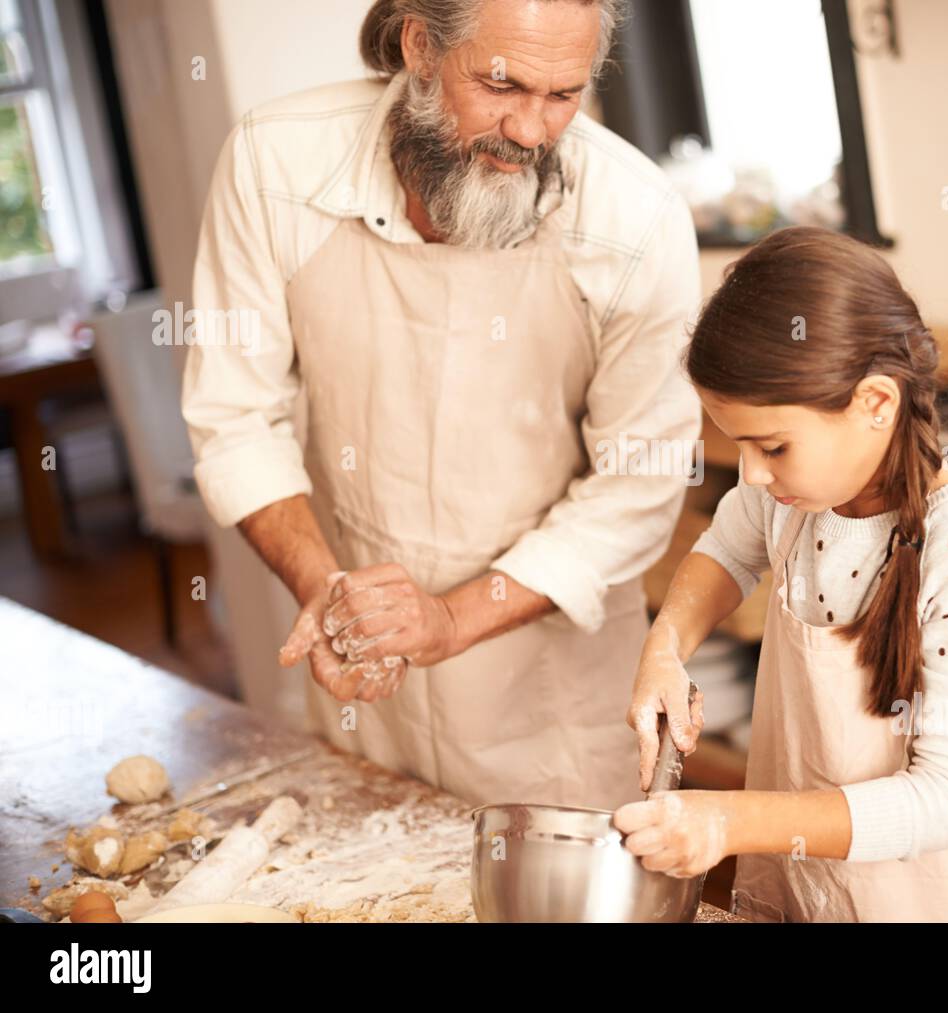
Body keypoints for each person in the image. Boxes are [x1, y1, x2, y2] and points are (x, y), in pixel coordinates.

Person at [182, 0, 701, 810]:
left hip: (552, 710)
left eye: (563, 94)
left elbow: (640, 483)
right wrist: (332, 598)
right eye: (502, 84)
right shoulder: (274, 162)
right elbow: (235, 416)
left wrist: (452, 621)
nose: (531, 130)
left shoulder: (636, 217)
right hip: (362, 686)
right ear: (420, 45)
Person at [613, 227, 948, 921]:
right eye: (741, 446)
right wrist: (665, 646)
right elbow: (723, 552)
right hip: (809, 896)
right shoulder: (791, 498)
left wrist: (730, 822)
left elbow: (947, 797)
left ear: (875, 403)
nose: (753, 473)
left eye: (773, 446)